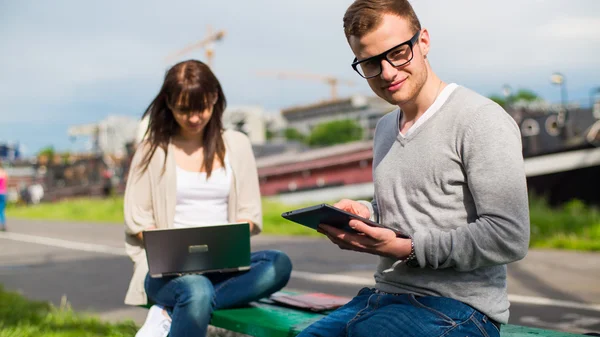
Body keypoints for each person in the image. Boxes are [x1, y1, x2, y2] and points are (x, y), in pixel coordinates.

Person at [297, 1, 530, 337]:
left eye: (398, 53)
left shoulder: (480, 119)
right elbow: (405, 212)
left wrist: (407, 249)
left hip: (460, 309)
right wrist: (363, 213)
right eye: (371, 62)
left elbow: (509, 236)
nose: (387, 72)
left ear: (423, 42)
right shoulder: (385, 129)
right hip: (382, 298)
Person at [123, 60, 293, 337]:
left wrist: (222, 243)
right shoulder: (151, 150)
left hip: (221, 269)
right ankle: (186, 301)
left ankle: (172, 311)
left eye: (201, 108)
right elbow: (137, 221)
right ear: (168, 103)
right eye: (183, 109)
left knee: (278, 264)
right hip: (166, 274)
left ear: (215, 98)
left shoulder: (237, 145)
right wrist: (176, 252)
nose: (193, 118)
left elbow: (249, 214)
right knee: (196, 288)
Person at [0, 161, 7, 231]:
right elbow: (6, 183)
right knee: (2, 210)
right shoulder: (4, 172)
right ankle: (3, 223)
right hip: (3, 192)